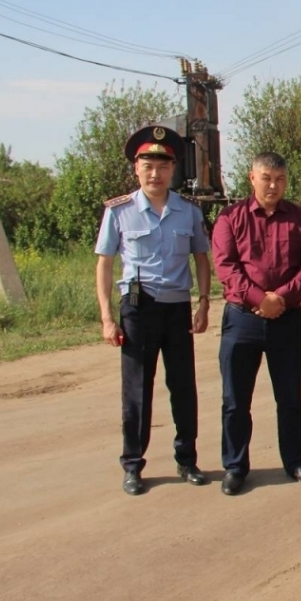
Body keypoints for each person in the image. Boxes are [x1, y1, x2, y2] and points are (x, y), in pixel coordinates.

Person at [95, 125, 212, 495]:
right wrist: (107, 318)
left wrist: (204, 301)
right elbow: (104, 264)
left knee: (183, 387)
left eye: (163, 166)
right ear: (136, 168)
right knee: (137, 391)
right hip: (138, 309)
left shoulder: (188, 211)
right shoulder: (119, 211)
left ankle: (187, 460)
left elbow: (201, 258)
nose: (155, 173)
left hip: (177, 309)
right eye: (148, 165)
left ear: (173, 169)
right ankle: (133, 464)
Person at [212, 152, 301, 495]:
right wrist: (260, 299)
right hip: (242, 320)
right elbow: (226, 266)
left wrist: (281, 298)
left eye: (279, 179)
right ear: (252, 178)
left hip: (286, 320)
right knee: (235, 399)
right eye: (266, 178)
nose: (273, 185)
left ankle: (295, 461)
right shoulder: (230, 218)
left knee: (290, 397)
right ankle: (235, 466)